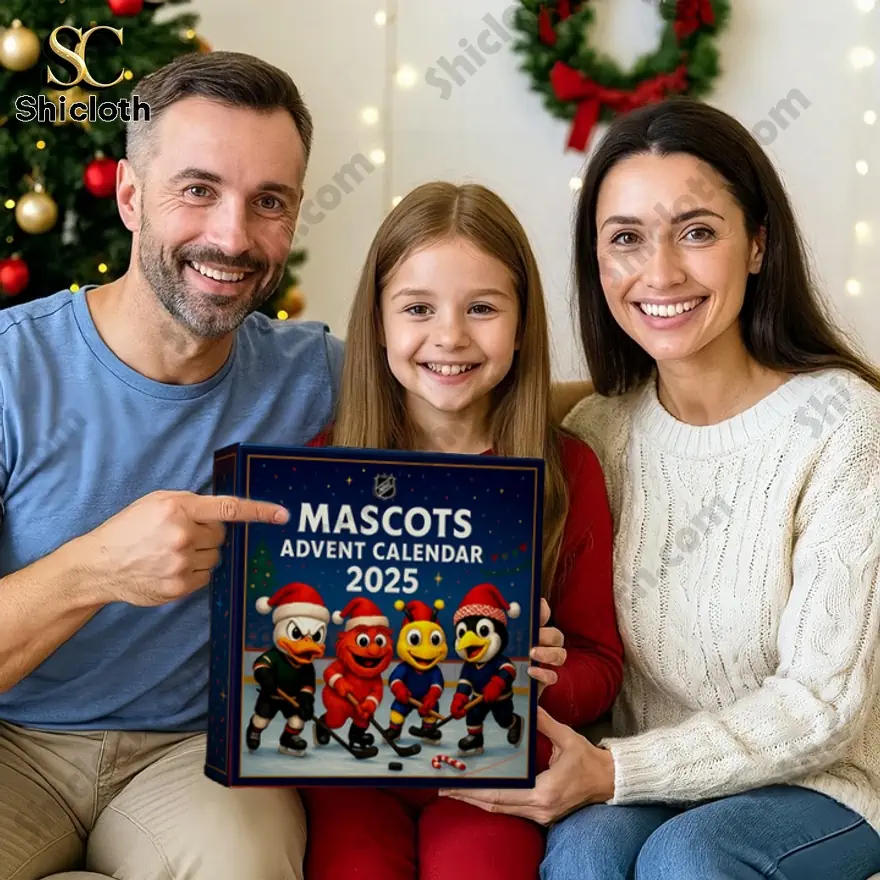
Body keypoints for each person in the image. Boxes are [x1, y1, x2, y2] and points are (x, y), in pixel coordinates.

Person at [443, 98, 880, 880]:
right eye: (626, 241)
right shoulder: (598, 432)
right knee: (580, 855)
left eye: (698, 231)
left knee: (691, 856)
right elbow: (582, 649)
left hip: (825, 785)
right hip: (645, 774)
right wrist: (537, 653)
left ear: (758, 244)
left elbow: (824, 706)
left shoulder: (843, 425)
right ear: (598, 264)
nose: (661, 272)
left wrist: (615, 773)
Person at [0, 52, 344, 880]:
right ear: (129, 196)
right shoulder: (11, 371)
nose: (232, 237)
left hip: (196, 754)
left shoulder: (321, 377)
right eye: (198, 190)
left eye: (270, 202)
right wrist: (95, 569)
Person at [301, 181, 624, 880]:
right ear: (379, 322)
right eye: (418, 308)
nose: (449, 336)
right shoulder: (325, 471)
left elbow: (601, 667)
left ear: (521, 324)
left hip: (493, 768)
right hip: (353, 771)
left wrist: (539, 675)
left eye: (482, 308)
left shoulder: (567, 471)